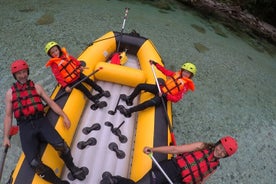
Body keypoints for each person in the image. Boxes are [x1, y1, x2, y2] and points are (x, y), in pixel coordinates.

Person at [3, 60, 88, 184]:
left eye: (24, 72)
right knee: (34, 163)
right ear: (15, 76)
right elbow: (8, 116)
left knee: (62, 147)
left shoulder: (37, 87)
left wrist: (64, 115)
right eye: (19, 73)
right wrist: (6, 137)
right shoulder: (10, 94)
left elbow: (51, 103)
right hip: (25, 127)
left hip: (41, 122)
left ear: (27, 71)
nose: (23, 75)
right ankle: (58, 182)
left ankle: (73, 168)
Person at [100, 136, 238, 184]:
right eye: (220, 147)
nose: (219, 152)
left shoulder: (214, 167)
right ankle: (115, 180)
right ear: (218, 143)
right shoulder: (202, 146)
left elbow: (201, 180)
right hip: (170, 167)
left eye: (223, 153)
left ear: (225, 156)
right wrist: (153, 149)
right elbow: (175, 150)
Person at [44, 41, 110, 110]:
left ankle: (101, 91)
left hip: (77, 73)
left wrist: (79, 66)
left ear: (59, 49)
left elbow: (73, 60)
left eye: (56, 50)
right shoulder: (54, 64)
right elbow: (58, 77)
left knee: (89, 81)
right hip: (71, 81)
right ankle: (96, 101)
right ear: (50, 55)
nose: (55, 53)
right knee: (84, 89)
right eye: (52, 52)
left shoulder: (65, 55)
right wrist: (65, 86)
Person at [117, 61, 196, 118]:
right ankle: (129, 99)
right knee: (140, 86)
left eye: (188, 73)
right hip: (160, 88)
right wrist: (155, 64)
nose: (185, 74)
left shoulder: (184, 87)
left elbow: (176, 99)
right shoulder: (175, 74)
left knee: (148, 103)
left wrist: (165, 95)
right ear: (182, 71)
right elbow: (164, 71)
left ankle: (128, 111)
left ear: (191, 76)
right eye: (185, 71)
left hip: (163, 97)